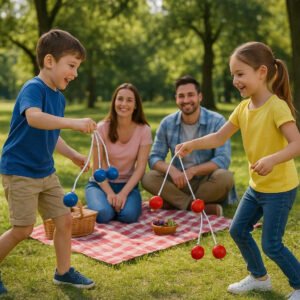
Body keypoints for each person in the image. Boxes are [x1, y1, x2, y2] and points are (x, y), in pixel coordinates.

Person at [176, 42, 300, 299]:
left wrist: (273, 160)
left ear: (262, 72)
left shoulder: (276, 107)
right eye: (233, 74)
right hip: (257, 187)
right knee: (237, 230)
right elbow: (219, 138)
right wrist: (190, 144)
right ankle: (259, 277)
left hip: (280, 189)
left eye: (240, 74)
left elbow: (297, 143)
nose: (235, 80)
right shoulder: (243, 108)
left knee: (272, 245)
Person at [0, 29, 97, 294]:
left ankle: (63, 272)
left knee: (64, 220)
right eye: (72, 66)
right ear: (50, 61)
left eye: (77, 68)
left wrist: (74, 155)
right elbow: (34, 118)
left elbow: (51, 134)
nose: (75, 74)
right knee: (22, 229)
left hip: (45, 171)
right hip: (20, 171)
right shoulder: (34, 88)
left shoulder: (59, 97)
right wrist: (74, 124)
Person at [142, 75, 235, 216]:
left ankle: (174, 203)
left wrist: (192, 171)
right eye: (181, 96)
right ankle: (194, 206)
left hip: (207, 181)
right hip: (178, 182)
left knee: (226, 177)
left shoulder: (217, 121)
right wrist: (172, 171)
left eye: (190, 95)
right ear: (176, 99)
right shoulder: (167, 123)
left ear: (200, 97)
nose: (186, 100)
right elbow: (154, 158)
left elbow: (222, 159)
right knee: (148, 178)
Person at [85, 83, 152, 224]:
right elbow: (96, 168)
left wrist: (123, 194)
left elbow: (140, 168)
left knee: (129, 216)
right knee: (103, 214)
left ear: (135, 105)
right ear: (114, 102)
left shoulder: (144, 130)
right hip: (100, 184)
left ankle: (113, 206)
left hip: (127, 185)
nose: (123, 104)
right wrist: (109, 193)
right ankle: (105, 205)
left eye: (129, 100)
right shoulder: (101, 128)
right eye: (120, 99)